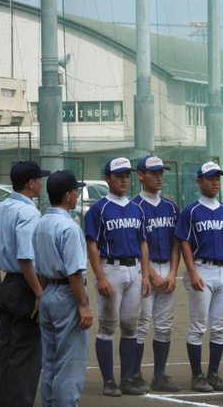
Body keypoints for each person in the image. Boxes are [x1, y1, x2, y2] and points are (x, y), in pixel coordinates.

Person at [174, 161, 223, 392]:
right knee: (198, 326)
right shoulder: (191, 211)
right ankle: (197, 376)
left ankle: (213, 374)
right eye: (210, 178)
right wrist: (192, 272)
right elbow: (184, 242)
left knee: (219, 327)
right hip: (201, 269)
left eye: (218, 178)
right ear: (199, 182)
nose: (215, 182)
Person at [84, 157, 152, 397]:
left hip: (134, 270)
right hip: (110, 269)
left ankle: (127, 379)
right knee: (107, 327)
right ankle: (109, 381)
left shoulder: (136, 208)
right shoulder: (98, 208)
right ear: (107, 178)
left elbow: (143, 243)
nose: (124, 179)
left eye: (127, 175)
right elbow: (92, 245)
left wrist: (145, 275)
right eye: (119, 175)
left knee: (130, 327)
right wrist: (100, 277)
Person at [0, 160, 50, 407]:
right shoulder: (28, 212)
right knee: (26, 355)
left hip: (8, 285)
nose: (42, 183)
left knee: (6, 351)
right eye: (39, 179)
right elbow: (26, 258)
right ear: (31, 183)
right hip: (26, 285)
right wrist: (38, 293)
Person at [33, 170, 92, 406]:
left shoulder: (41, 222)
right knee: (69, 364)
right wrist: (84, 305)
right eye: (76, 191)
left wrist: (41, 297)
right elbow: (74, 272)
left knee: (50, 363)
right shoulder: (69, 227)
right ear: (67, 196)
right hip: (68, 295)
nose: (78, 195)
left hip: (48, 294)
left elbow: (40, 268)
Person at [130, 156, 181, 392]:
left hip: (167, 270)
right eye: (154, 172)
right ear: (140, 175)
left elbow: (176, 244)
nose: (160, 176)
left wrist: (172, 273)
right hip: (144, 272)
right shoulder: (133, 207)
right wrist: (151, 275)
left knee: (164, 325)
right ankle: (135, 373)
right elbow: (136, 245)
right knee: (142, 324)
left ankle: (159, 374)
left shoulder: (171, 207)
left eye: (162, 172)